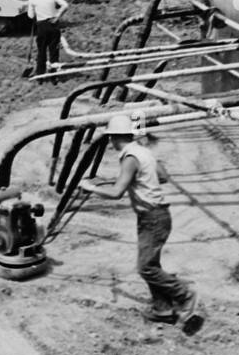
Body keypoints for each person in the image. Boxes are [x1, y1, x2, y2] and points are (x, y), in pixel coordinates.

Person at [77, 114, 199, 328]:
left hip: (152, 217)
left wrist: (91, 188)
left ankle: (185, 295)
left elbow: (116, 194)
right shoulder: (143, 151)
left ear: (114, 138)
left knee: (146, 268)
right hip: (156, 215)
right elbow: (161, 176)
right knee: (151, 263)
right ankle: (162, 309)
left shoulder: (130, 157)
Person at [26, 0, 69, 74]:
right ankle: (54, 74)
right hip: (53, 25)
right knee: (54, 51)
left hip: (42, 26)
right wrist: (57, 16)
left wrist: (36, 11)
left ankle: (40, 73)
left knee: (41, 51)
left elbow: (30, 16)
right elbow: (65, 5)